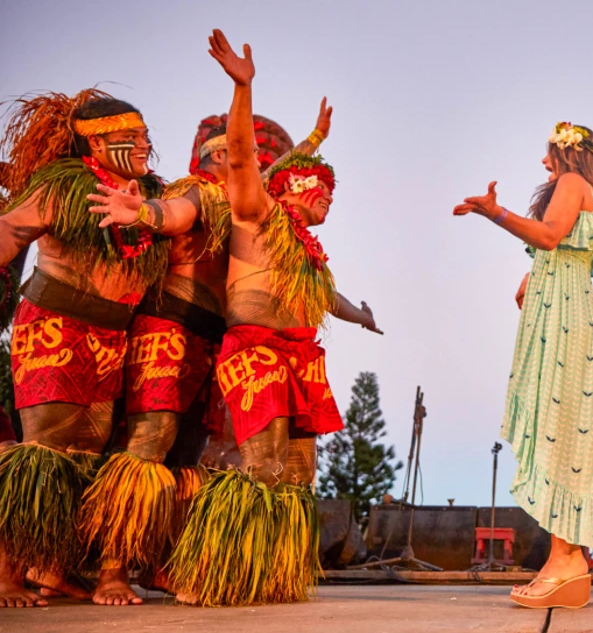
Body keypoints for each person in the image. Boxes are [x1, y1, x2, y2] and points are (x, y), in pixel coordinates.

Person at [165, 30, 345, 607]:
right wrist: (244, 88)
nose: (329, 200)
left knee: (298, 472)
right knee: (260, 466)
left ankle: (270, 569)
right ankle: (212, 571)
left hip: (299, 358)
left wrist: (359, 315)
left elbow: (327, 299)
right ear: (290, 186)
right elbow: (242, 157)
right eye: (321, 190)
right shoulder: (256, 214)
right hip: (257, 350)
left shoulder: (308, 253)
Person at [0, 90, 170, 608]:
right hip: (57, 325)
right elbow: (8, 233)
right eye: (131, 137)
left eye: (145, 135)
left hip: (113, 337)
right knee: (40, 455)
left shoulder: (150, 197)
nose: (145, 144)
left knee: (90, 456)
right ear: (96, 142)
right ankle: (6, 574)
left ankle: (61, 570)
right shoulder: (63, 186)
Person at [453, 121, 593, 609]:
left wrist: (496, 213)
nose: (544, 162)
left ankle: (568, 561)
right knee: (563, 430)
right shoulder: (583, 190)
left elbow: (551, 236)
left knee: (560, 428)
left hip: (566, 319)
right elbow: (564, 250)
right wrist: (535, 276)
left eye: (549, 153)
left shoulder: (573, 184)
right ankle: (564, 562)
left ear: (569, 154)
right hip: (565, 308)